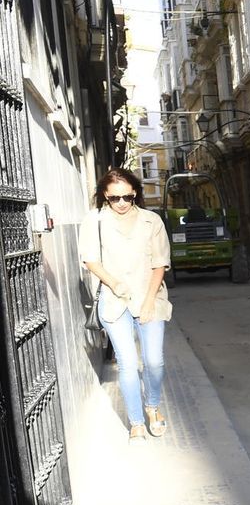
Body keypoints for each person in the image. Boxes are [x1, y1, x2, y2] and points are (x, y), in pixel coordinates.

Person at [81, 168, 173, 441]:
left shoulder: (151, 220)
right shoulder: (94, 221)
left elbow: (160, 263)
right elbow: (90, 260)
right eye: (114, 198)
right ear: (104, 197)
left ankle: (152, 406)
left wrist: (148, 302)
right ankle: (136, 422)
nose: (121, 203)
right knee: (128, 364)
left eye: (127, 197)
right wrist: (113, 283)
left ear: (135, 194)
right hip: (114, 301)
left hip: (150, 297)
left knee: (154, 362)